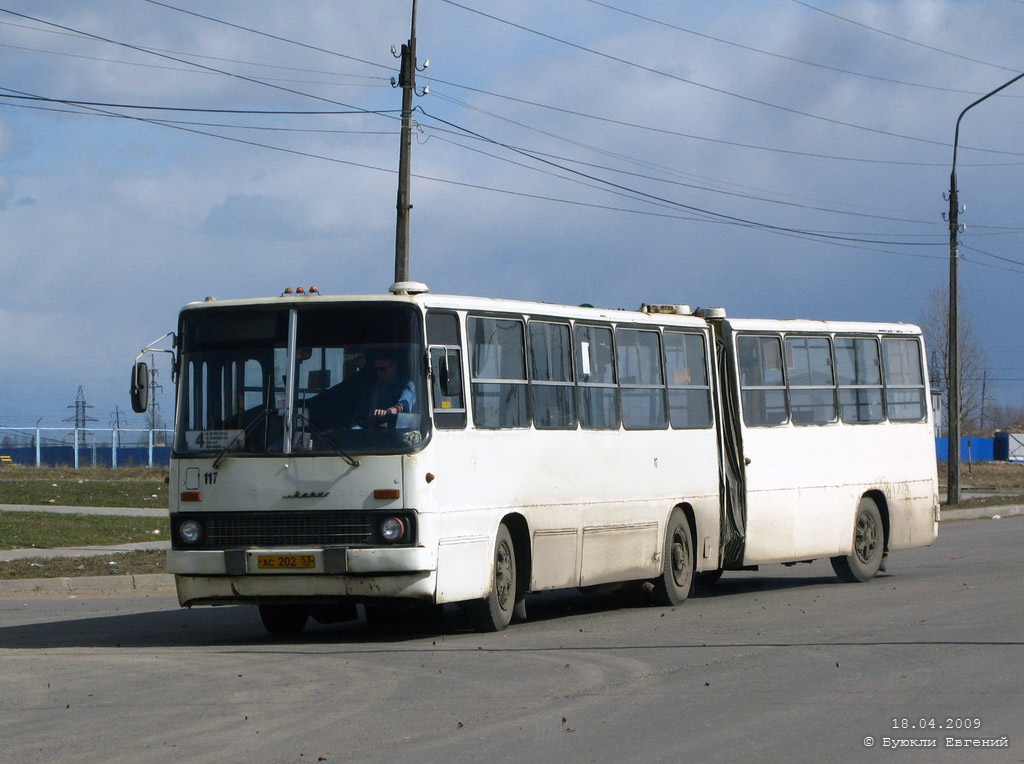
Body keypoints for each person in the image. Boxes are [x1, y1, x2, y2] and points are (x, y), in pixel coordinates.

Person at [352, 353, 416, 428]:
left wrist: (388, 412)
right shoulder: (371, 388)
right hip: (371, 433)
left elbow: (403, 405)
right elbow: (359, 416)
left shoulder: (406, 385)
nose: (379, 372)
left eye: (383, 369)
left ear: (394, 368)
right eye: (377, 369)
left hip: (396, 434)